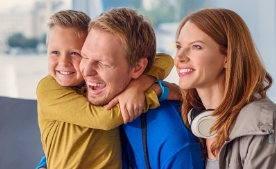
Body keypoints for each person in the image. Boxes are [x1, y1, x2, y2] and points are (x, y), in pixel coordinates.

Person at [37, 8, 204, 169]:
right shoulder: (85, 91)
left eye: (102, 62)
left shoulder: (176, 144)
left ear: (138, 68)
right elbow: (85, 132)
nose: (85, 70)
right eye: (85, 56)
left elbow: (165, 59)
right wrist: (154, 91)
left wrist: (146, 87)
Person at [174, 8, 276, 169]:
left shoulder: (261, 123)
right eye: (179, 47)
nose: (179, 57)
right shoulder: (193, 114)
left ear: (228, 57)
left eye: (196, 47)